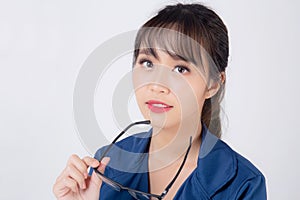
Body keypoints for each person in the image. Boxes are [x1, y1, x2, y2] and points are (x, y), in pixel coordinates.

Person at [53, 3, 267, 200]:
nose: (157, 84)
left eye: (180, 69)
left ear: (213, 84)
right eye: (147, 63)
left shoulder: (244, 185)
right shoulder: (105, 166)